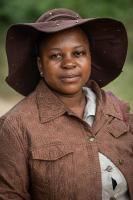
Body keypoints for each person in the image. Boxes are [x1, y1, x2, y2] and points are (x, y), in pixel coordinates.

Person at [0, 8, 132, 200]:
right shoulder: (15, 127)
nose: (69, 63)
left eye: (78, 53)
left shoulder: (116, 108)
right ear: (40, 65)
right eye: (56, 56)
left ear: (89, 58)